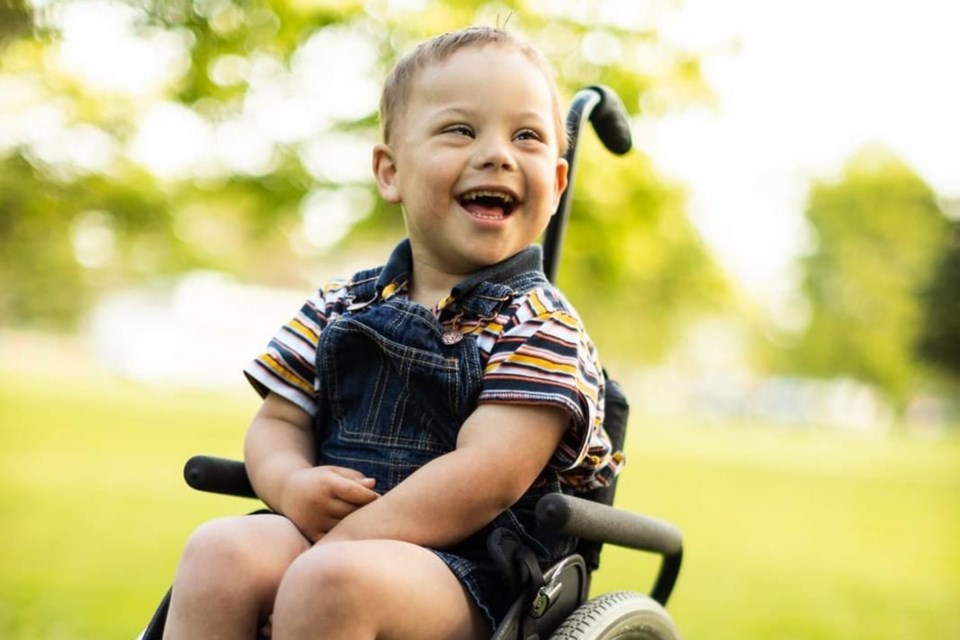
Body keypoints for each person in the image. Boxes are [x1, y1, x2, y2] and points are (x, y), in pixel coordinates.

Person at [162, 25, 623, 640]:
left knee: (332, 580)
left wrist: (342, 542)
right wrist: (292, 485)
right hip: (328, 535)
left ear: (557, 183)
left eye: (528, 136)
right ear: (390, 171)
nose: (498, 153)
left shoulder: (540, 326)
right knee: (222, 550)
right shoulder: (340, 306)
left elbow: (487, 475)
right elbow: (278, 423)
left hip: (472, 575)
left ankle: (326, 570)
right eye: (461, 130)